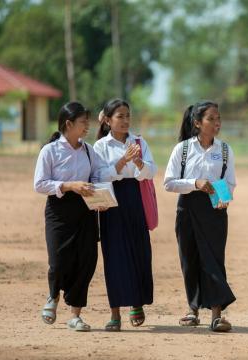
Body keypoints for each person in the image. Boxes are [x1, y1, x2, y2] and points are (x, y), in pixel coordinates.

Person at [34, 101, 117, 332]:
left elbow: (99, 175)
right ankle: (53, 296)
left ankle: (75, 315)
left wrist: (101, 199)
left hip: (86, 212)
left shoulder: (89, 150)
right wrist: (69, 185)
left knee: (86, 262)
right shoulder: (50, 151)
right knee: (59, 260)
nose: (87, 126)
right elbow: (40, 184)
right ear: (68, 124)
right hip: (59, 211)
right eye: (83, 122)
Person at [164, 100, 236, 332]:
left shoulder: (225, 150)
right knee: (190, 258)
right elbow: (169, 183)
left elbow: (230, 182)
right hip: (187, 209)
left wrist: (225, 196)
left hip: (216, 210)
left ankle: (217, 315)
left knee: (214, 260)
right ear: (197, 123)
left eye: (218, 118)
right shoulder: (182, 149)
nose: (217, 123)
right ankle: (192, 310)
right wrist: (195, 183)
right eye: (211, 119)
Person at [93, 99, 157, 331]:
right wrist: (121, 163)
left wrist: (138, 161)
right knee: (114, 256)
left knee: (140, 251)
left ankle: (137, 302)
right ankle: (115, 312)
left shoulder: (139, 142)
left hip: (135, 198)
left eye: (128, 115)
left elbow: (151, 172)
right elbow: (98, 176)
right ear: (108, 121)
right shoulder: (100, 146)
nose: (126, 120)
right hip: (111, 203)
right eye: (120, 116)